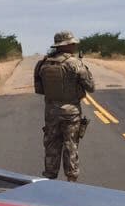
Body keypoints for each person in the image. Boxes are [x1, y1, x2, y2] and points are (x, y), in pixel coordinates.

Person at [33, 31, 94, 182]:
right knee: (70, 145)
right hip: (71, 112)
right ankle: (71, 180)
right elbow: (90, 86)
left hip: (51, 112)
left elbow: (39, 90)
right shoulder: (74, 63)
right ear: (66, 45)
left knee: (51, 144)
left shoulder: (43, 63)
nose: (74, 45)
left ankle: (50, 179)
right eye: (72, 43)